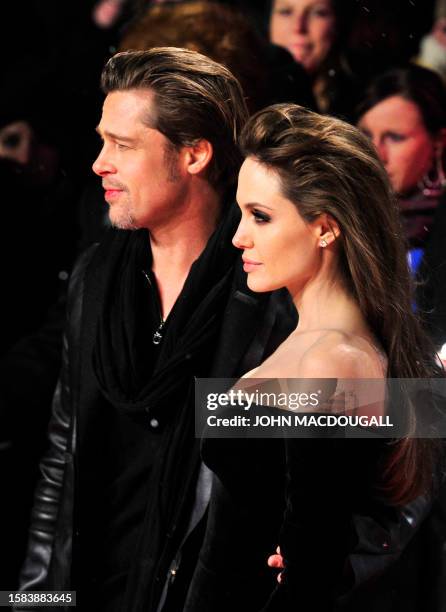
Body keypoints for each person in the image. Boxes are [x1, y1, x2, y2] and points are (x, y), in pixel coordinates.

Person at [17, 48, 296, 612]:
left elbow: (395, 437)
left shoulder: (271, 294)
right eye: (103, 141)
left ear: (193, 155)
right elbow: (61, 458)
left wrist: (323, 557)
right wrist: (36, 599)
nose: (99, 162)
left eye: (122, 146)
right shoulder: (96, 277)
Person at [184, 103, 443, 611]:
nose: (239, 236)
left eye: (260, 216)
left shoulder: (335, 360)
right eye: (241, 213)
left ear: (324, 229)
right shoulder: (306, 341)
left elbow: (310, 577)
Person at [357, 65, 446, 347]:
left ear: (438, 142)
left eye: (395, 138)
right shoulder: (346, 213)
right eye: (366, 135)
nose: (377, 153)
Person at [267, 0, 358, 117]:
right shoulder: (244, 98)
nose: (298, 27)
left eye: (318, 13)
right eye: (286, 12)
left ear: (339, 24)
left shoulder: (363, 103)